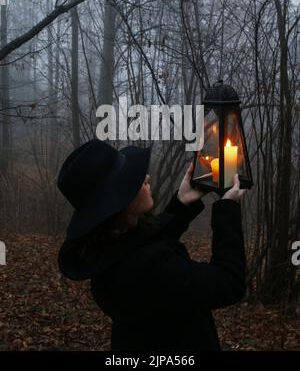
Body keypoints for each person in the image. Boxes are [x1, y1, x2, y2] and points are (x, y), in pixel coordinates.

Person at [58, 139, 246, 351]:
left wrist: (181, 203)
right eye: (135, 178)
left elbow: (139, 244)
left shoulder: (104, 251)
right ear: (121, 200)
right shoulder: (151, 269)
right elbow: (229, 281)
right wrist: (227, 209)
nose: (146, 177)